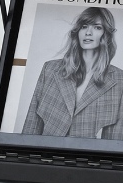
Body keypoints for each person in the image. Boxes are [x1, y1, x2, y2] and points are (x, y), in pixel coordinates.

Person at [22, 8, 123, 138]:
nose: (88, 32)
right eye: (84, 26)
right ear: (78, 31)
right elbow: (32, 124)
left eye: (97, 27)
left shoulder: (119, 79)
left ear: (106, 34)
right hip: (46, 150)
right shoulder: (50, 69)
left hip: (87, 151)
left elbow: (114, 139)